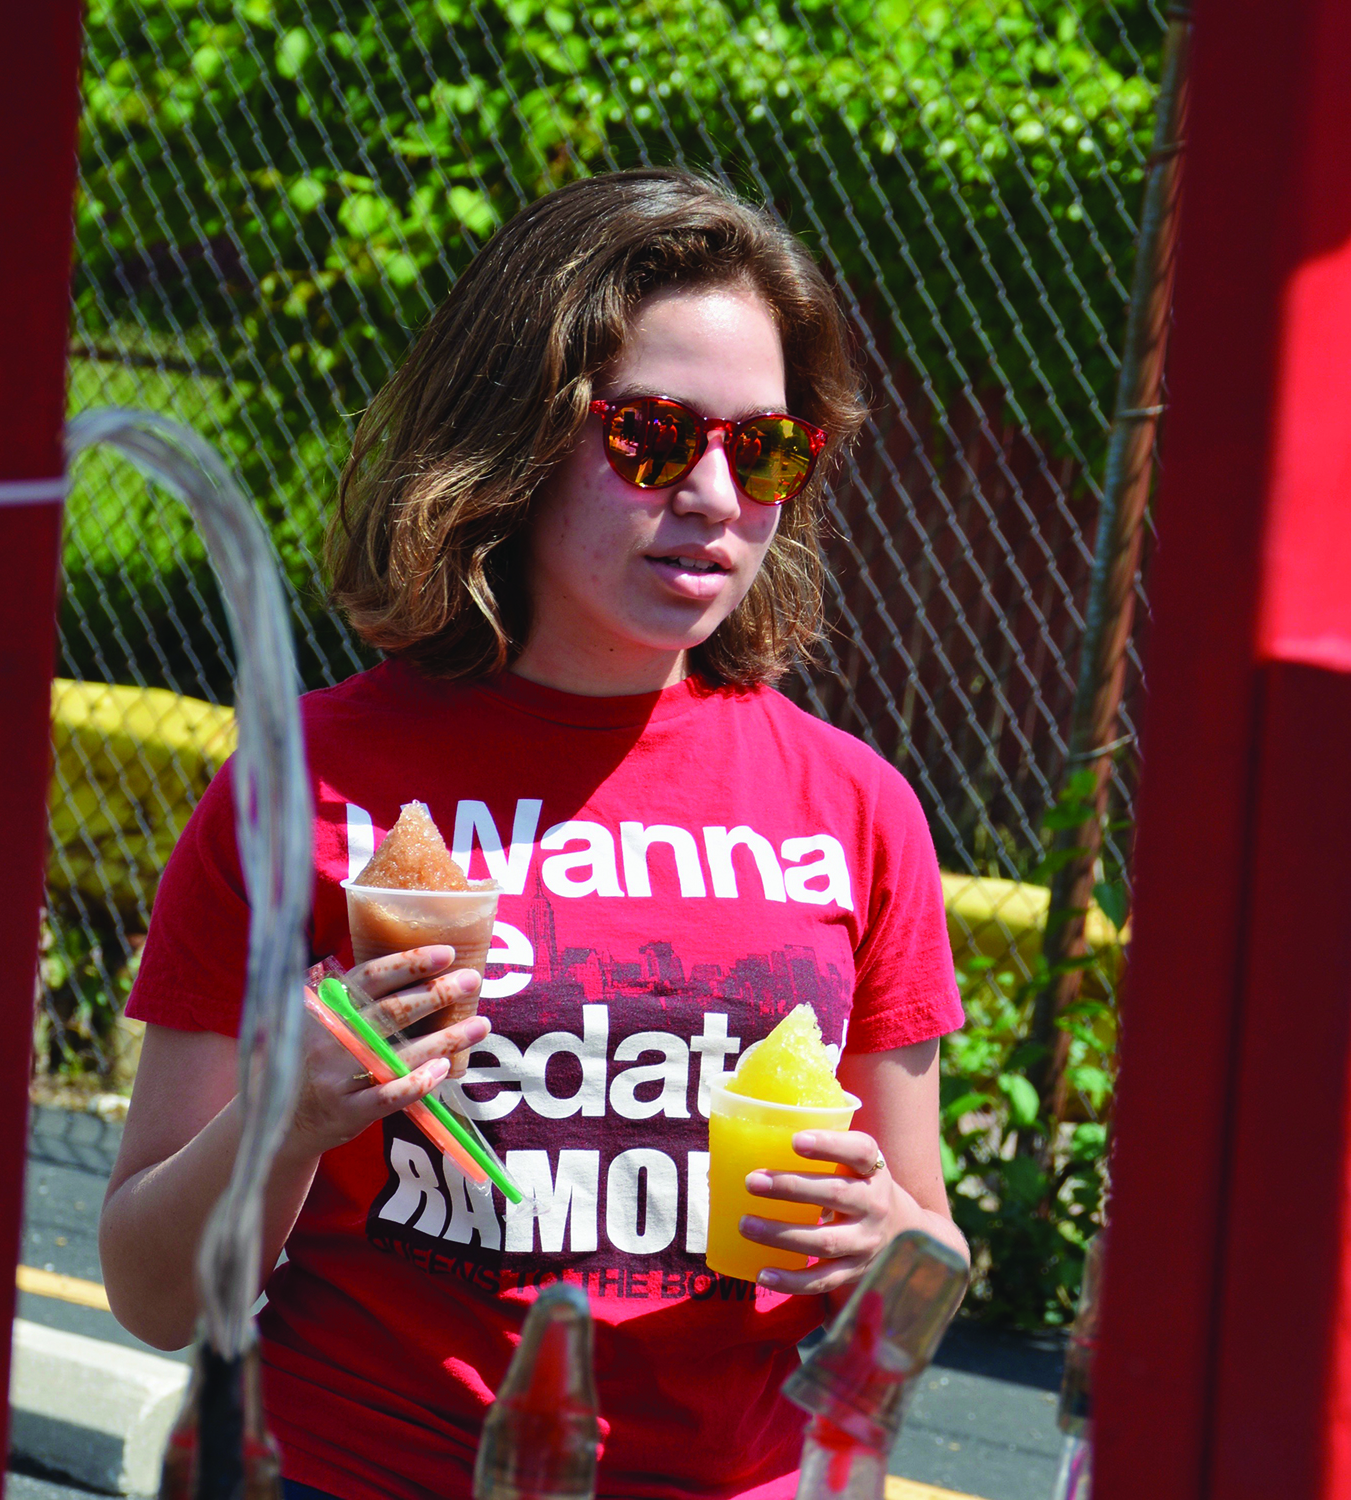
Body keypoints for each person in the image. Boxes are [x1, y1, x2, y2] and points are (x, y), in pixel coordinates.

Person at [100, 167, 967, 1500]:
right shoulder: (309, 782)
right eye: (656, 439)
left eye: (770, 448)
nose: (719, 498)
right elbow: (156, 1294)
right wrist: (288, 1115)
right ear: (519, 433)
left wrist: (882, 1243)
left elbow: (931, 1268)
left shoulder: (855, 807)